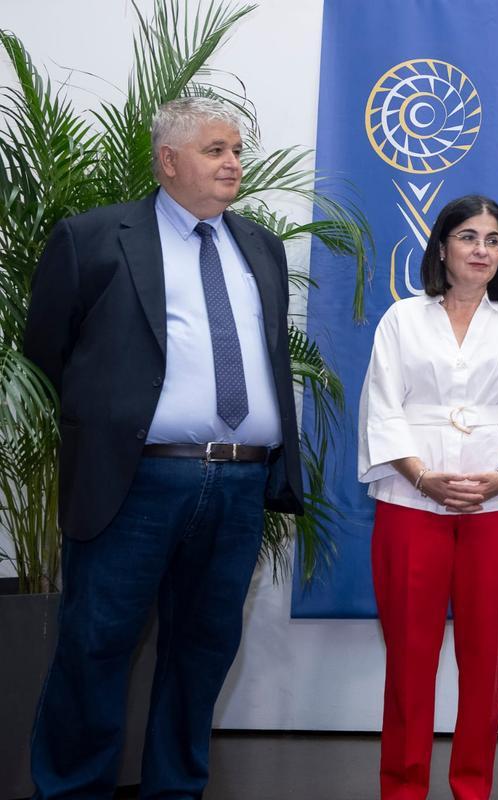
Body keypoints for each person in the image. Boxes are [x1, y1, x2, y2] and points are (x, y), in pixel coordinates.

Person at [22, 97, 303, 798]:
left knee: (202, 655)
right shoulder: (93, 238)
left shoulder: (260, 246)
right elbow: (45, 350)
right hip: (135, 483)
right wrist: (117, 422)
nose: (233, 163)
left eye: (237, 149)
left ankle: (176, 790)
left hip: (238, 486)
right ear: (168, 159)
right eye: (215, 150)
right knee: (95, 650)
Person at [358, 194, 498, 800]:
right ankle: (402, 788)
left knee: (485, 661)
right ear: (441, 246)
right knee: (410, 661)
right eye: (468, 237)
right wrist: (420, 476)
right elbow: (381, 406)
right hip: (409, 504)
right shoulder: (402, 319)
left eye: (494, 240)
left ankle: (472, 786)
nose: (482, 250)